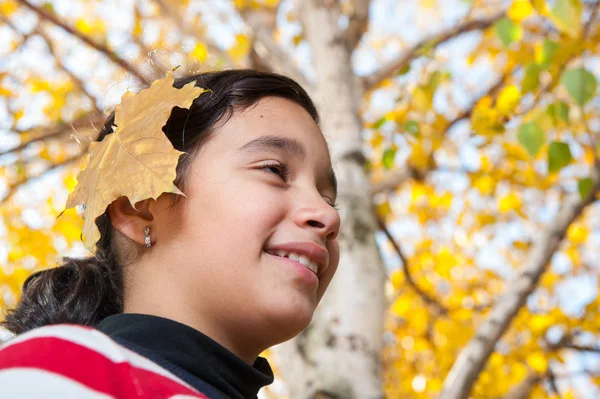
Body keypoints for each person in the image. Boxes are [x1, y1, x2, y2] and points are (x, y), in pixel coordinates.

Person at [0, 69, 341, 398]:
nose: (327, 215)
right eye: (274, 170)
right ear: (139, 207)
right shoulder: (53, 375)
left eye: (329, 199)